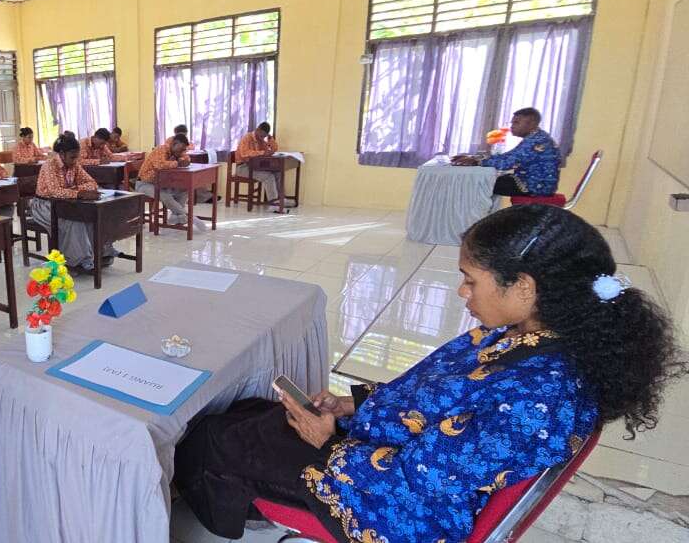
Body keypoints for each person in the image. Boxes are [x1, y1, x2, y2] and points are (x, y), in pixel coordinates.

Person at [174, 204, 684, 542]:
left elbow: (418, 491)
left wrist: (328, 443)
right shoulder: (524, 335)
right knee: (250, 412)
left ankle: (221, 502)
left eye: (471, 280)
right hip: (392, 457)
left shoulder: (537, 399)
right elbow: (436, 398)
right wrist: (353, 405)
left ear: (524, 287)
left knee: (216, 438)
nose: (463, 292)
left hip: (395, 506)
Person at [32, 135, 118, 273]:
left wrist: (75, 190)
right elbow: (54, 191)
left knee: (92, 216)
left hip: (67, 202)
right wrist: (79, 193)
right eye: (72, 157)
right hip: (45, 205)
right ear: (62, 154)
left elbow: (92, 183)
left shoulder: (74, 164)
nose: (75, 161)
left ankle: (100, 252)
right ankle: (77, 260)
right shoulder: (49, 166)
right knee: (72, 221)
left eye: (76, 157)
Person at [454, 108, 561, 197]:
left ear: (531, 124)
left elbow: (506, 163)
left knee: (478, 183)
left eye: (516, 122)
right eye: (512, 122)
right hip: (534, 183)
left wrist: (477, 161)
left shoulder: (536, 141)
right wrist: (476, 158)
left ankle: (476, 214)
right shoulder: (537, 137)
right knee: (485, 180)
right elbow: (508, 156)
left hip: (535, 187)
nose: (512, 126)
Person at [136, 133, 208, 231]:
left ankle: (175, 216)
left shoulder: (175, 151)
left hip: (161, 183)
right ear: (174, 144)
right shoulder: (161, 149)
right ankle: (190, 218)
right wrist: (177, 163)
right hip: (144, 184)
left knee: (184, 189)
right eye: (181, 149)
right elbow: (160, 165)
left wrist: (185, 160)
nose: (182, 152)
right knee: (165, 196)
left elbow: (186, 158)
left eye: (184, 150)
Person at [234, 122, 286, 211]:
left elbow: (273, 149)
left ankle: (280, 199)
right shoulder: (247, 138)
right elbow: (244, 153)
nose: (262, 138)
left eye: (264, 136)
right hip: (243, 167)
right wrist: (262, 152)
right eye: (262, 135)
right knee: (268, 176)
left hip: (255, 166)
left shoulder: (261, 139)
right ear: (258, 130)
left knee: (278, 172)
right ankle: (273, 204)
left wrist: (270, 140)